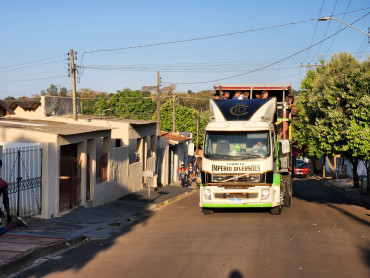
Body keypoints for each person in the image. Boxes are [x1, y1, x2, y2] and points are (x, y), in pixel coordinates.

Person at [0, 158, 28, 236]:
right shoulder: (3, 184)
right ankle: (15, 224)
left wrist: (8, 214)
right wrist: (8, 214)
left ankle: (15, 224)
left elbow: (5, 200)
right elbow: (5, 200)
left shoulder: (2, 184)